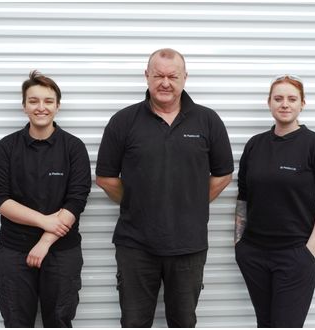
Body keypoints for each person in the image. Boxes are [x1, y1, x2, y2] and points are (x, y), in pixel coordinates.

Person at [96, 48, 234, 327]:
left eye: (173, 76)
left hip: (189, 247)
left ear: (185, 78)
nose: (165, 83)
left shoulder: (208, 121)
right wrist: (140, 202)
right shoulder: (123, 121)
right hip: (135, 247)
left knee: (183, 322)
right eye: (158, 75)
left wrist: (190, 202)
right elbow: (105, 178)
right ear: (146, 76)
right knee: (134, 322)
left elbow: (223, 175)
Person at [234, 74, 315, 327]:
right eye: (278, 98)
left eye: (292, 99)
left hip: (295, 255)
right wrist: (239, 244)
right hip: (254, 254)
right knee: (265, 324)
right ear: (269, 102)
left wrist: (309, 251)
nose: (285, 104)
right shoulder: (255, 145)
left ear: (302, 104)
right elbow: (244, 196)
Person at [0, 70, 91, 327]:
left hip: (61, 252)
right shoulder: (7, 147)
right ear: (24, 106)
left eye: (47, 101)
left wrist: (45, 241)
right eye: (33, 101)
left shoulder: (73, 148)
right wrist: (45, 221)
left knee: (59, 320)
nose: (40, 107)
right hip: (14, 251)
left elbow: (76, 200)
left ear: (57, 106)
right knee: (16, 321)